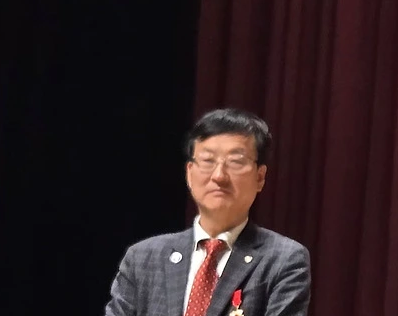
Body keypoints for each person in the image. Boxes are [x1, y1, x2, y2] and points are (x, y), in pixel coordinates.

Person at [104, 109, 310, 316]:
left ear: (260, 177)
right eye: (208, 161)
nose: (219, 176)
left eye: (236, 162)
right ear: (189, 173)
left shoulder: (283, 259)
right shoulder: (143, 258)